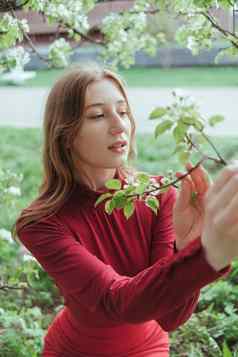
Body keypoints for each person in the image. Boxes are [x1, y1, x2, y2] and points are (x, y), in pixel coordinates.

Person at [14, 63, 238, 357]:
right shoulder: (41, 224)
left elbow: (169, 318)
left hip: (148, 347)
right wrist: (207, 253)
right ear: (65, 134)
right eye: (97, 115)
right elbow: (118, 301)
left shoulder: (158, 197)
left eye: (122, 111)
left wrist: (187, 246)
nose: (120, 125)